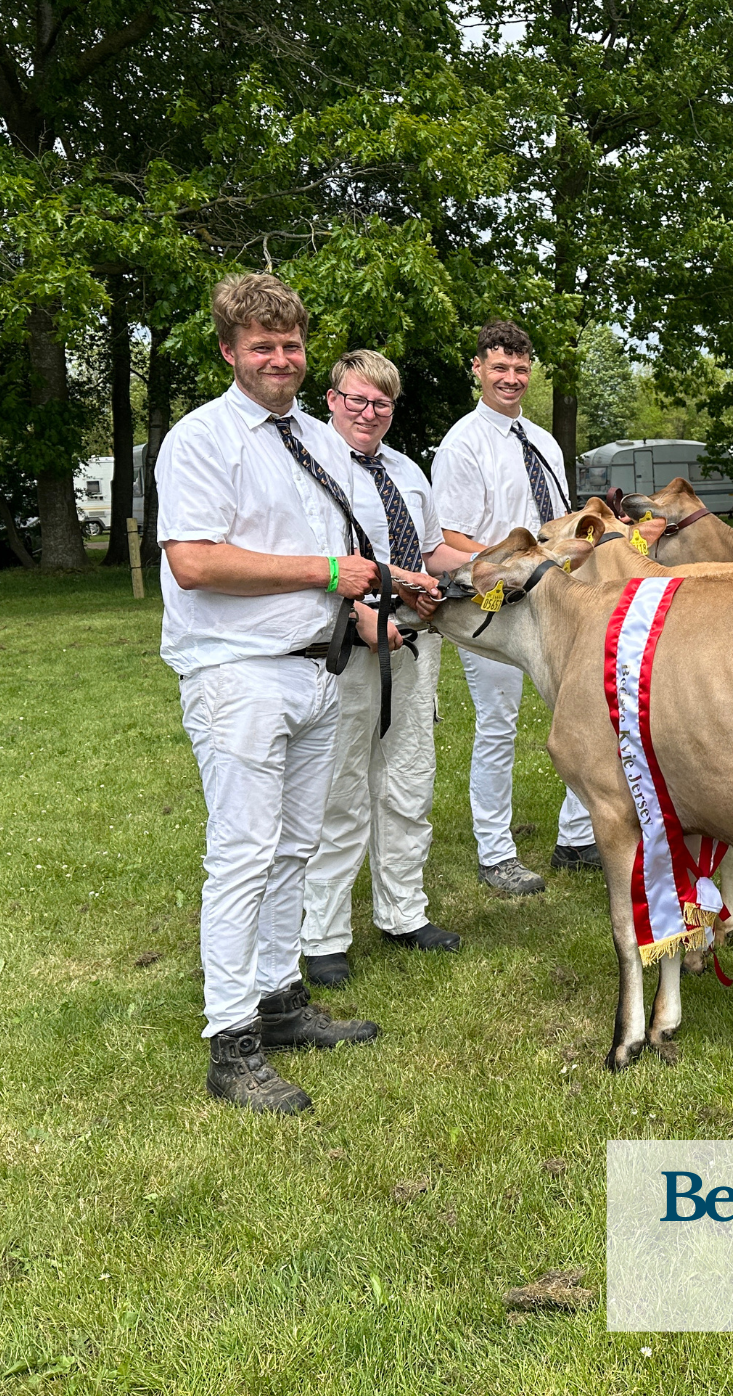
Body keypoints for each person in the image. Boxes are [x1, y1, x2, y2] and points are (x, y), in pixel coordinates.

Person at [157, 273, 421, 1114]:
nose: (280, 358)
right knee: (241, 853)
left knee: (293, 847)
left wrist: (370, 607)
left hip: (319, 667)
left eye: (292, 344)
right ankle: (229, 1045)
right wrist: (331, 572)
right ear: (230, 350)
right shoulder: (200, 439)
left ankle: (279, 1004)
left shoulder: (313, 436)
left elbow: (333, 553)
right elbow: (194, 562)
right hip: (237, 675)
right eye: (262, 345)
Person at [299, 350, 478, 990]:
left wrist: (501, 560)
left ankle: (404, 913)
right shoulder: (312, 463)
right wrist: (371, 605)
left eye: (382, 404)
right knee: (341, 790)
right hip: (346, 646)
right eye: (357, 400)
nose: (369, 413)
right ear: (331, 399)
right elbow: (317, 556)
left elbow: (431, 549)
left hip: (416, 641)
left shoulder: (405, 470)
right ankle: (323, 936)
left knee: (407, 780)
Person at [429, 320, 600, 895]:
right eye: (499, 367)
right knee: (497, 726)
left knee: (579, 712)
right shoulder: (463, 444)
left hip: (553, 598)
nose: (511, 378)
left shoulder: (543, 441)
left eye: (521, 369)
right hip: (493, 599)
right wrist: (523, 561)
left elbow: (554, 522)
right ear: (477, 368)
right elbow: (449, 535)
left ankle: (577, 839)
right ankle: (495, 853)